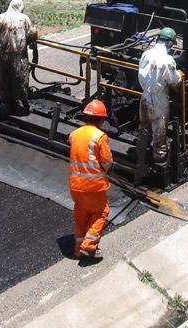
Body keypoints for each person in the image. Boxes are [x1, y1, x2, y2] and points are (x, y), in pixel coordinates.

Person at [68, 99, 113, 260]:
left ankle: (79, 249)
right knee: (101, 213)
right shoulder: (100, 136)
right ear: (101, 120)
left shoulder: (74, 134)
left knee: (81, 214)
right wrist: (106, 170)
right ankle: (89, 246)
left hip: (75, 186)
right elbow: (106, 162)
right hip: (93, 186)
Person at [137, 27, 182, 163]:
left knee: (144, 124)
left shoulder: (146, 53)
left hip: (145, 96)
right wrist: (180, 75)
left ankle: (141, 150)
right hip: (159, 99)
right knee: (159, 129)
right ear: (169, 44)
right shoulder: (167, 60)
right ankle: (159, 159)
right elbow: (174, 80)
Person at [0, 0, 38, 115]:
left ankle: (6, 105)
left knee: (4, 80)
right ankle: (21, 108)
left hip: (4, 56)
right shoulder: (24, 18)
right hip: (19, 56)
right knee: (20, 81)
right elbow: (32, 34)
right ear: (21, 6)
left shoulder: (0, 17)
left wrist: (2, 43)